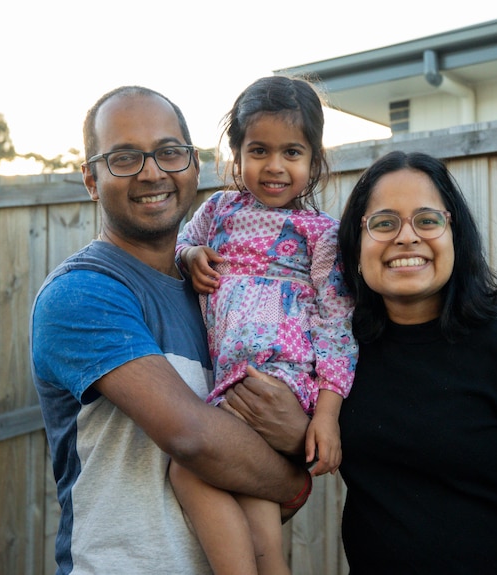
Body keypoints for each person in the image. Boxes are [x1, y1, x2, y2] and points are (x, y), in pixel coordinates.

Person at [29, 85, 312, 575]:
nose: (152, 172)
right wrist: (295, 480)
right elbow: (193, 438)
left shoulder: (219, 295)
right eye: (123, 157)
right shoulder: (83, 294)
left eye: (169, 152)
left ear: (194, 165)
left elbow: (262, 439)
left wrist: (298, 431)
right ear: (91, 180)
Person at [333, 150, 497, 574]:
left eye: (428, 220)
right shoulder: (339, 359)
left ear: (456, 235)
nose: (406, 237)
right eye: (383, 223)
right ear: (356, 248)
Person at [170, 75, 358, 575]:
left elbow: (338, 328)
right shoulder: (218, 210)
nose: (275, 166)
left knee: (189, 473)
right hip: (234, 381)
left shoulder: (321, 234)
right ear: (237, 154)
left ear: (314, 161)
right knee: (254, 507)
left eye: (292, 152)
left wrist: (327, 416)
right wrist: (189, 255)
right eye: (259, 150)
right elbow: (176, 245)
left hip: (282, 383)